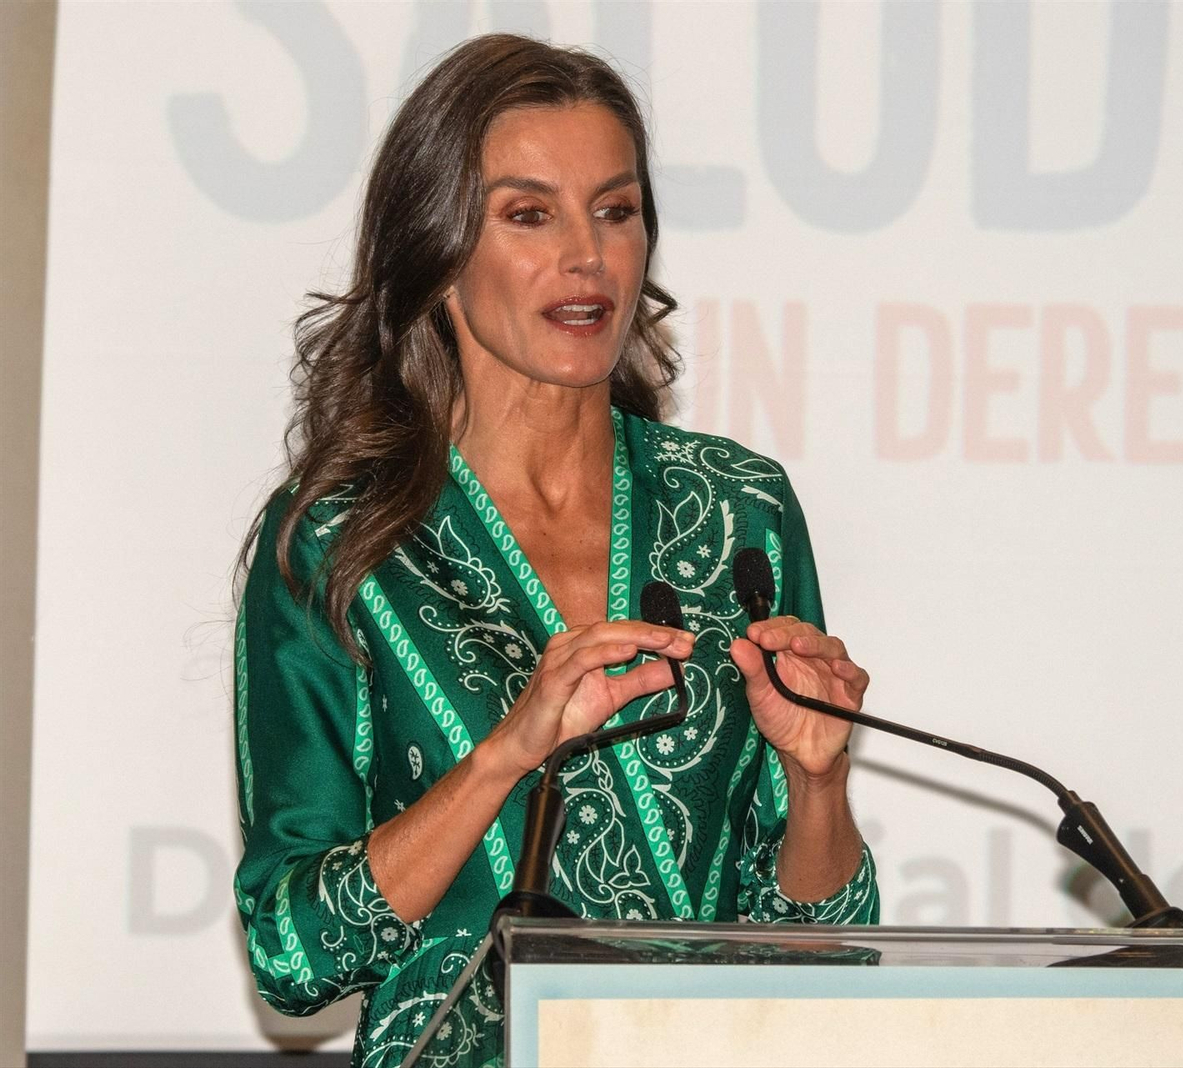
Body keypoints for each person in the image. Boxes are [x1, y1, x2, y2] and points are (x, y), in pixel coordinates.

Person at [232, 33, 878, 1068]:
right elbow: (295, 953)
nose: (587, 257)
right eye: (529, 214)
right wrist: (507, 752)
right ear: (438, 249)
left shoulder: (738, 510)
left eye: (614, 212)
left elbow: (822, 954)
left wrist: (818, 781)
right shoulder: (341, 540)